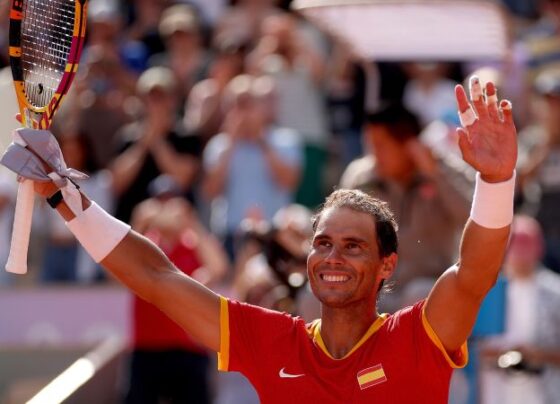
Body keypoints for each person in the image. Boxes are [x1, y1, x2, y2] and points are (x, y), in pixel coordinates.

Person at [13, 78, 517, 402]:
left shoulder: (418, 339)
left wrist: (496, 182)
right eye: (323, 243)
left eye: (353, 245)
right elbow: (156, 276)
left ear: (388, 265)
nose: (332, 257)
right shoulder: (274, 343)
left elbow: (475, 273)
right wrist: (64, 196)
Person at [479, 215, 560, 404]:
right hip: (496, 392)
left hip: (543, 392)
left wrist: (537, 354)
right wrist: (495, 354)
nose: (520, 257)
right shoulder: (486, 291)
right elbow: (471, 349)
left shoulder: (555, 292)